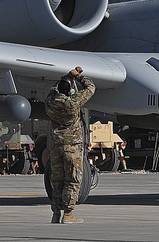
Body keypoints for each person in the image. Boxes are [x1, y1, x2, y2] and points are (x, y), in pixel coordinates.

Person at [45, 66, 95, 224]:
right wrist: (79, 77)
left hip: (56, 145)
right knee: (73, 179)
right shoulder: (73, 102)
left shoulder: (50, 101)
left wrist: (67, 77)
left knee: (57, 179)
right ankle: (68, 213)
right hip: (72, 146)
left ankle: (55, 214)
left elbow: (55, 88)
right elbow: (91, 87)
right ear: (71, 92)